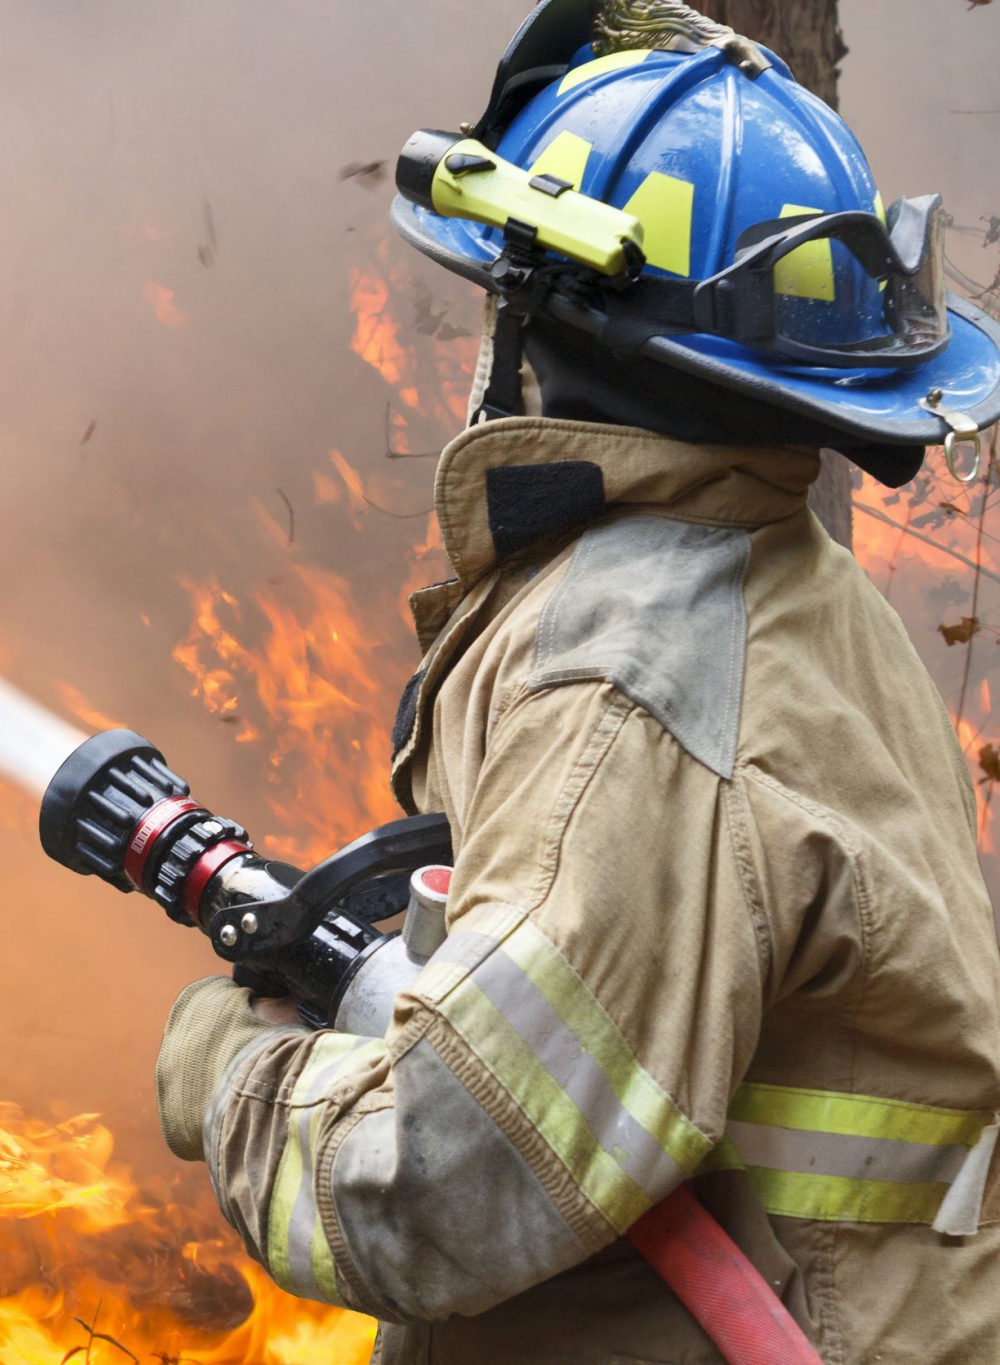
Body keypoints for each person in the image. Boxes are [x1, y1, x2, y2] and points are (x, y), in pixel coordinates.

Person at [151, 1, 1000, 1360]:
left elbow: (437, 1185)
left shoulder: (633, 682)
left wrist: (224, 1066)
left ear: (547, 327)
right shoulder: (778, 579)